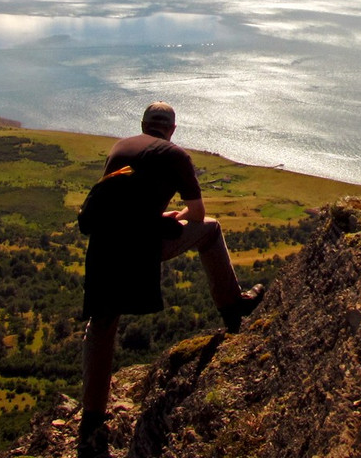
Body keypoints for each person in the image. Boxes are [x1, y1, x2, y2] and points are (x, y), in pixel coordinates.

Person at [77, 102, 264, 457]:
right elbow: (197, 213)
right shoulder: (176, 156)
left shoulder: (120, 147)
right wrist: (173, 215)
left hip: (105, 245)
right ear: (172, 130)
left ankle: (91, 423)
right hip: (141, 247)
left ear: (143, 125)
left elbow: (120, 205)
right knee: (210, 231)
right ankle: (233, 308)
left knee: (101, 323)